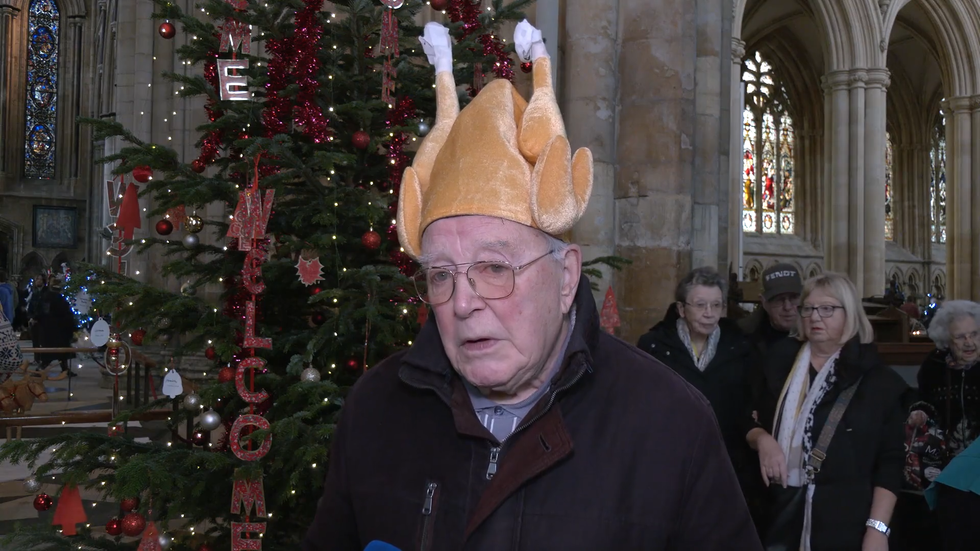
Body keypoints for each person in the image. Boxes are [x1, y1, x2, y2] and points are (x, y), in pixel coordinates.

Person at [303, 20, 761, 551]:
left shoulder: (669, 422)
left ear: (566, 277)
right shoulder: (377, 410)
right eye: (441, 275)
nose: (464, 303)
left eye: (494, 268)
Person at [746, 272, 907, 550]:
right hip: (779, 513)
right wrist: (762, 439)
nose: (815, 317)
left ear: (850, 314)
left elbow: (890, 463)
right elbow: (742, 417)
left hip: (847, 522)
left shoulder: (878, 381)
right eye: (808, 308)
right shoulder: (777, 362)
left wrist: (878, 529)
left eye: (827, 309)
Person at [909, 300, 980, 461]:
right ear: (947, 340)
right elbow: (923, 400)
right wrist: (920, 413)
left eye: (974, 334)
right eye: (960, 337)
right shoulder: (934, 365)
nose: (969, 343)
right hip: (942, 459)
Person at [739, 263, 802, 358]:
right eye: (779, 300)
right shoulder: (745, 338)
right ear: (764, 303)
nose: (787, 307)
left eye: (793, 298)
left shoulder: (816, 332)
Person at [34, 276, 77, 376]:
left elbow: (41, 312)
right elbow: (64, 313)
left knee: (59, 352)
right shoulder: (55, 298)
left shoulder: (47, 296)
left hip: (51, 328)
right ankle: (40, 369)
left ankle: (65, 369)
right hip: (56, 328)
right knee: (53, 352)